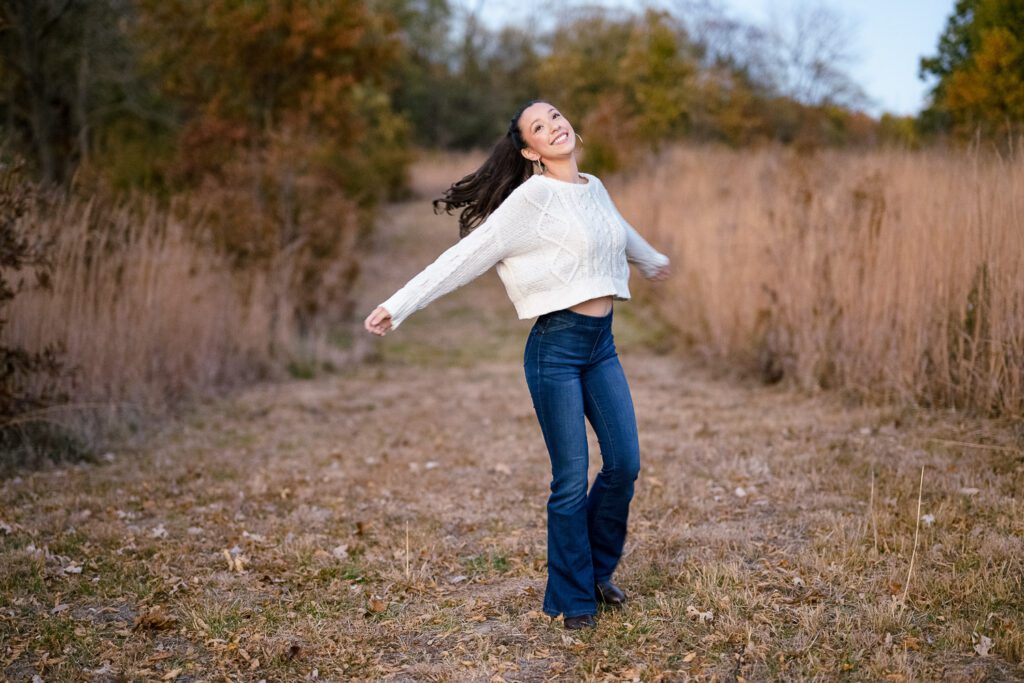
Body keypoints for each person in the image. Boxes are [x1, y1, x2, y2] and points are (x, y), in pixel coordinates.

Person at [363, 100, 671, 630]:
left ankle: (597, 572)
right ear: (529, 151)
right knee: (571, 479)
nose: (555, 126)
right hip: (555, 348)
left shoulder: (593, 186)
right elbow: (466, 256)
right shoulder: (530, 201)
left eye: (555, 116)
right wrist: (399, 304)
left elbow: (616, 229)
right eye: (539, 127)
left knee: (624, 464)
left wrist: (651, 260)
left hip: (601, 343)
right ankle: (574, 599)